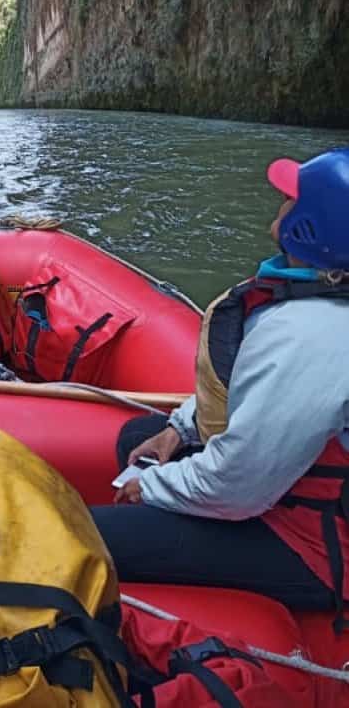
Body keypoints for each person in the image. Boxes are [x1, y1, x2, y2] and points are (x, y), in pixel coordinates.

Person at [91, 149, 349, 630]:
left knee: (85, 536)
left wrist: (149, 487)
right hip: (287, 489)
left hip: (314, 547)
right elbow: (248, 389)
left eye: (293, 199)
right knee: (140, 438)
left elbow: (238, 489)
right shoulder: (310, 301)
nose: (281, 202)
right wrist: (177, 428)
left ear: (313, 226)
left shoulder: (312, 334)